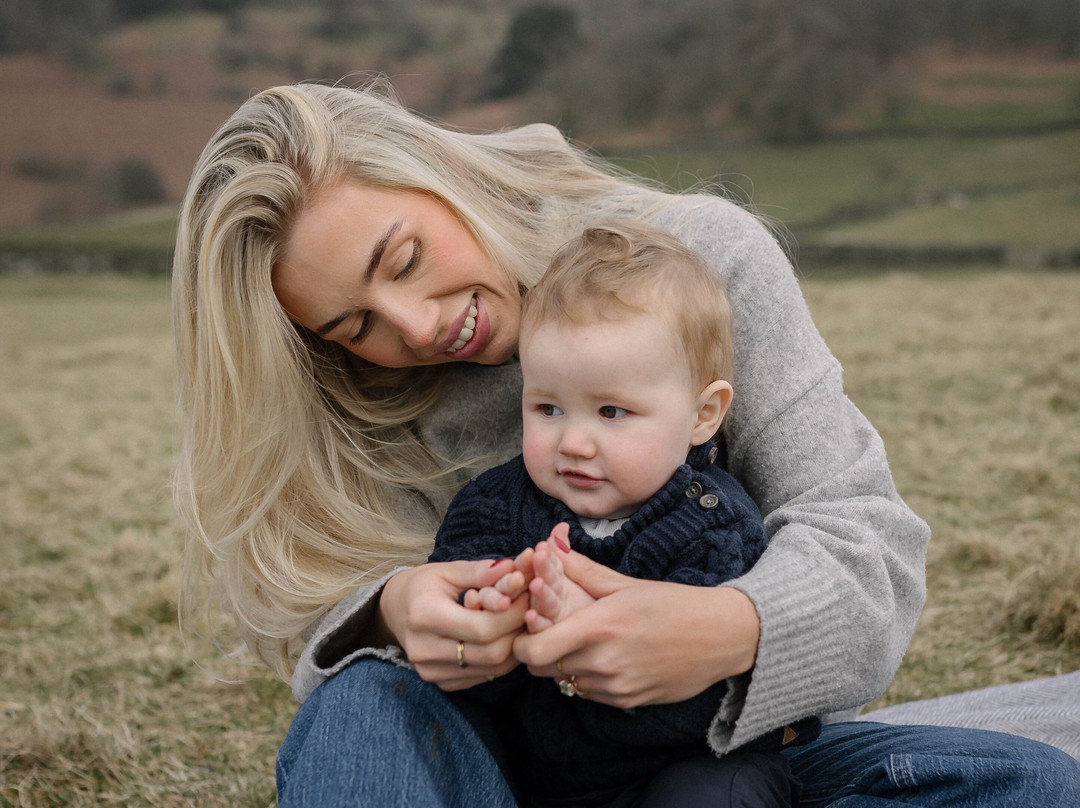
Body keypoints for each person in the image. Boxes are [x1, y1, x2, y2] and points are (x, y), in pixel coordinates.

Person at [171, 79, 1080, 807]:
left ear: (438, 171)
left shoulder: (701, 260)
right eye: (354, 324)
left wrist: (725, 630)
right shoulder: (351, 396)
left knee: (1031, 785)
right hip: (491, 770)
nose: (412, 327)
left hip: (722, 760)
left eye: (404, 259)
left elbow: (867, 545)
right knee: (360, 710)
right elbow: (312, 607)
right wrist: (394, 609)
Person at [427, 221, 816, 807]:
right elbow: (455, 656)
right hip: (540, 782)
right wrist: (490, 616)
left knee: (715, 794)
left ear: (703, 415)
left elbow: (715, 700)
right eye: (548, 408)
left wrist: (584, 633)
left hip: (685, 766)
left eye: (611, 412)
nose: (573, 442)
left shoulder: (715, 528)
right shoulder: (493, 507)